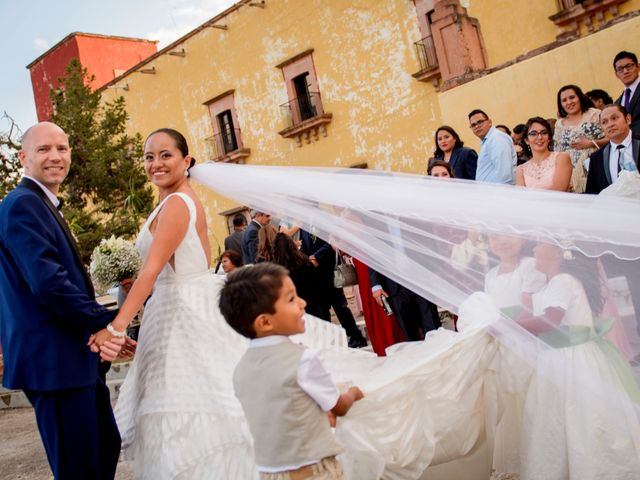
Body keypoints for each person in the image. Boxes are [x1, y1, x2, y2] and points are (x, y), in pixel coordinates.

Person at [93, 128, 258, 479]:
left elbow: (151, 273)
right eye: (149, 156)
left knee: (195, 404)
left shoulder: (178, 204)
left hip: (184, 310)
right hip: (172, 308)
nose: (156, 163)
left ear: (186, 160)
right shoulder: (171, 201)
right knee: (187, 404)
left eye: (165, 155)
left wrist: (115, 327)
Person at [0, 122, 125, 479]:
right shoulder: (23, 204)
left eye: (62, 148)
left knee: (103, 449)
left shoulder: (41, 203)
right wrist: (104, 322)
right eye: (43, 149)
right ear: (24, 157)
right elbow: (48, 282)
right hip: (53, 362)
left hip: (70, 359)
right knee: (79, 468)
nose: (55, 156)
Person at [220, 263, 364, 480]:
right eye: (291, 299)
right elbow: (339, 407)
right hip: (314, 470)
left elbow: (280, 410)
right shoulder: (303, 359)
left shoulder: (241, 368)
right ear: (265, 322)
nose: (302, 302)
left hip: (270, 472)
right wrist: (354, 393)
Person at [300, 229, 368, 348]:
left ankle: (356, 336)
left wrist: (316, 256)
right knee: (323, 309)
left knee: (340, 306)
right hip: (315, 275)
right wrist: (305, 259)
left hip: (330, 271)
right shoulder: (304, 227)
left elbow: (330, 243)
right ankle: (330, 341)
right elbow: (305, 246)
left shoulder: (321, 222)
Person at [553, 84, 606, 192]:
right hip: (570, 176)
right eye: (564, 100)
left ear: (580, 97)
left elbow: (612, 139)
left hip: (595, 170)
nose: (569, 102)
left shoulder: (595, 114)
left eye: (572, 97)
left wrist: (591, 143)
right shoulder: (559, 124)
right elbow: (557, 154)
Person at [586, 104, 639, 193]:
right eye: (604, 122)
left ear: (628, 119)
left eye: (614, 118)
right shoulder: (596, 158)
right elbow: (591, 193)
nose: (610, 124)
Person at [272, 232, 323, 318]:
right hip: (311, 307)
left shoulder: (275, 270)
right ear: (291, 245)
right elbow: (318, 283)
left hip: (291, 310)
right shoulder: (304, 262)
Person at [516, 117, 572, 191]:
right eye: (533, 134)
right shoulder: (521, 169)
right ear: (526, 140)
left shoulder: (562, 158)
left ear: (549, 138)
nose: (539, 137)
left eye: (544, 133)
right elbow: (521, 198)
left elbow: (559, 191)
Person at [468, 109, 516, 184]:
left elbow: (505, 175)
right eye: (473, 125)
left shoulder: (497, 138)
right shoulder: (488, 140)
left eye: (480, 122)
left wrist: (500, 195)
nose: (477, 126)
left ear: (490, 122)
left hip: (499, 193)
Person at [613, 50, 640, 137]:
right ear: (616, 75)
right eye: (620, 69)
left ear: (638, 67)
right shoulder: (617, 103)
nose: (625, 71)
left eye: (629, 66)